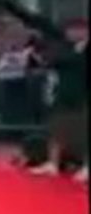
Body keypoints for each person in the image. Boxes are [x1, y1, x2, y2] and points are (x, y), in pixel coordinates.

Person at [32, 18, 88, 182]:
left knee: (84, 130)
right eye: (69, 30)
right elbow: (52, 60)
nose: (70, 33)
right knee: (57, 128)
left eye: (75, 30)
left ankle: (87, 166)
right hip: (63, 92)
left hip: (84, 93)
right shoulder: (64, 47)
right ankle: (53, 163)